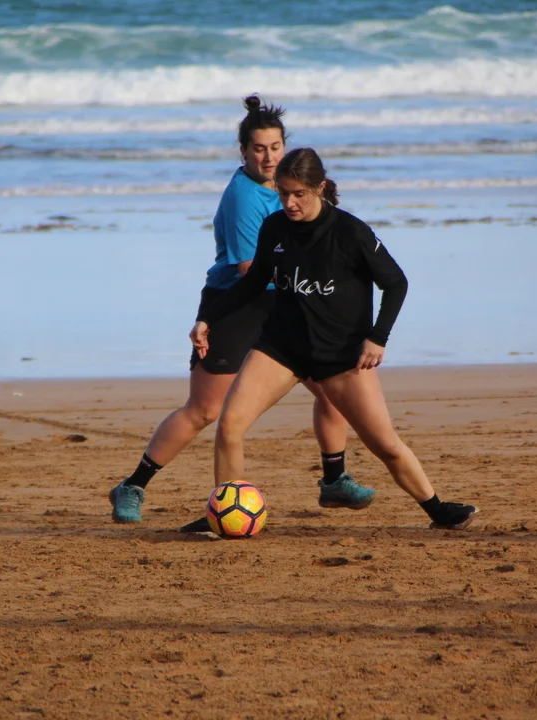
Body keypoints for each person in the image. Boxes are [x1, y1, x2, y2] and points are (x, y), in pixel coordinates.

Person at [109, 97, 376, 527]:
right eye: (258, 149)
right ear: (244, 151)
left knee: (331, 390)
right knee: (204, 410)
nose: (268, 157)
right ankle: (133, 485)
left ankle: (334, 480)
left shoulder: (290, 188)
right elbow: (252, 271)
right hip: (236, 304)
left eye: (275, 147)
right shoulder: (242, 198)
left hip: (286, 301)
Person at [188, 147, 476, 530]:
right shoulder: (274, 228)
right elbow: (254, 282)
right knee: (230, 425)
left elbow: (396, 283)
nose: (289, 203)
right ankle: (224, 514)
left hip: (341, 357)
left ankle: (438, 510)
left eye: (299, 194)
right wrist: (208, 318)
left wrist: (377, 338)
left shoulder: (350, 232)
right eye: (283, 193)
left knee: (385, 444)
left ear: (319, 187)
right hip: (282, 347)